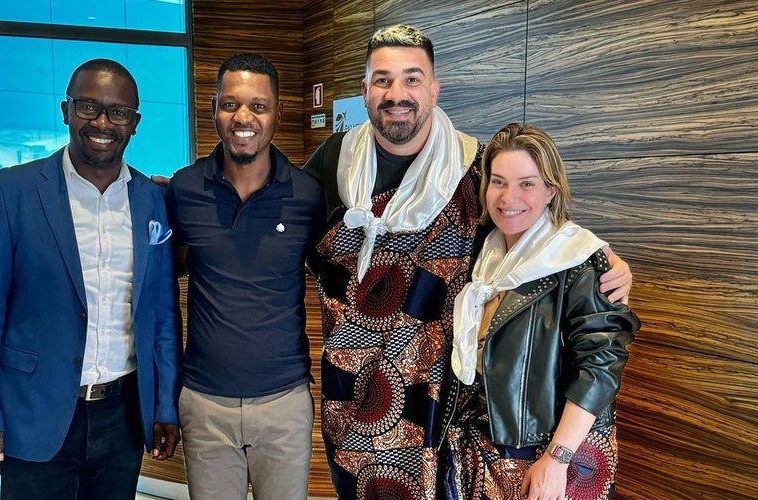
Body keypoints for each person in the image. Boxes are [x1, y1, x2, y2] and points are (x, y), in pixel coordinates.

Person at [303, 25, 632, 499]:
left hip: (442, 401)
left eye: (412, 79)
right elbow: (289, 237)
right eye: (383, 80)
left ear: (434, 88)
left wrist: (607, 263)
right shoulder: (334, 160)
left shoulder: (473, 167)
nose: (398, 94)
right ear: (364, 91)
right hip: (357, 387)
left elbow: (548, 238)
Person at [0, 58, 183, 500]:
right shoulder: (11, 192)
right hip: (33, 412)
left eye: (118, 112)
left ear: (134, 123)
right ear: (65, 111)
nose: (102, 122)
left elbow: (161, 314)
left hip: (123, 416)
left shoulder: (153, 201)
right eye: (88, 107)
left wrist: (164, 405)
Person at [445, 122, 641, 500]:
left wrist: (558, 459)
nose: (508, 197)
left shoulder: (581, 261)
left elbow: (600, 369)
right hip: (486, 448)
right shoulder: (485, 254)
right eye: (498, 181)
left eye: (527, 184)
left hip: (549, 454)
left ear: (551, 190)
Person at [165, 53, 324, 500]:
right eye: (230, 104)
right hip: (204, 403)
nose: (243, 118)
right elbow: (171, 268)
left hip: (284, 403)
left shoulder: (307, 195)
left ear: (277, 113)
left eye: (258, 106)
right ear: (213, 108)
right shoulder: (184, 188)